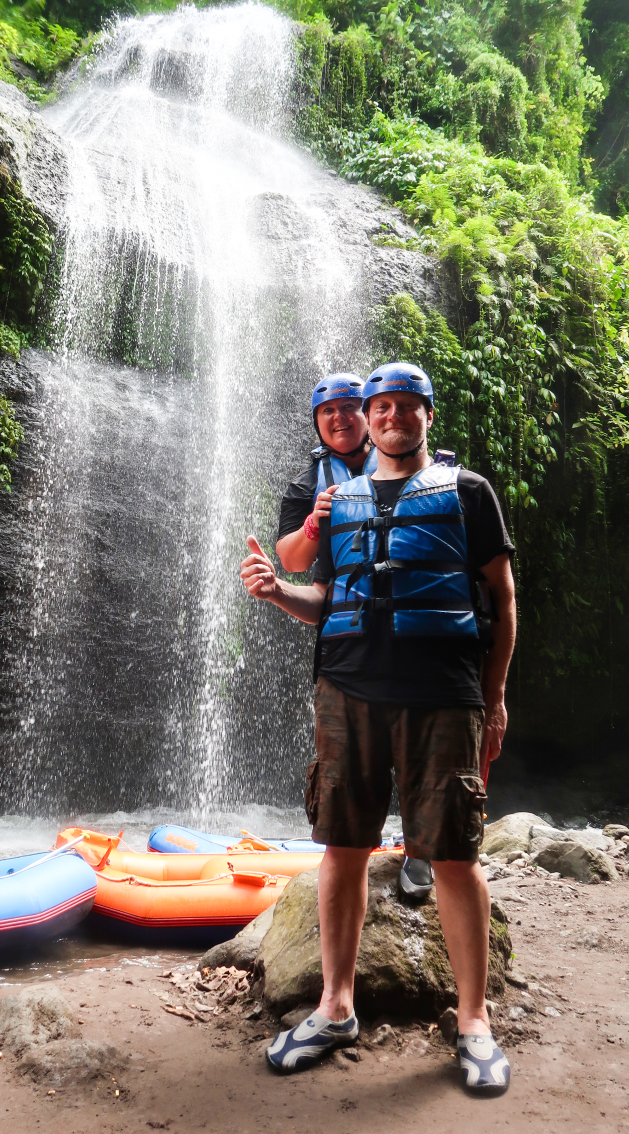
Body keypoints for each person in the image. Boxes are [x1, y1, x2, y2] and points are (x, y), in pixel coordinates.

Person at [240, 361, 516, 1094]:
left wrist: (494, 697)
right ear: (367, 417)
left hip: (444, 695)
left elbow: (503, 599)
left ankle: (473, 1019)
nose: (392, 416)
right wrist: (277, 593)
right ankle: (335, 1007)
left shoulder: (469, 492)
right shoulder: (339, 502)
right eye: (380, 406)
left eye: (405, 405)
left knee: (453, 854)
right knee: (342, 847)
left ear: (427, 413)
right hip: (348, 690)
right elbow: (328, 600)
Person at [276, 372, 435, 902]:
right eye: (328, 412)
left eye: (349, 408)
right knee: (352, 766)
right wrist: (316, 523)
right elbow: (291, 560)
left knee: (422, 756)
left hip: (418, 636)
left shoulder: (408, 462)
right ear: (317, 423)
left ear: (366, 415)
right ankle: (352, 856)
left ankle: (421, 848)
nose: (340, 418)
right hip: (350, 642)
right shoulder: (309, 483)